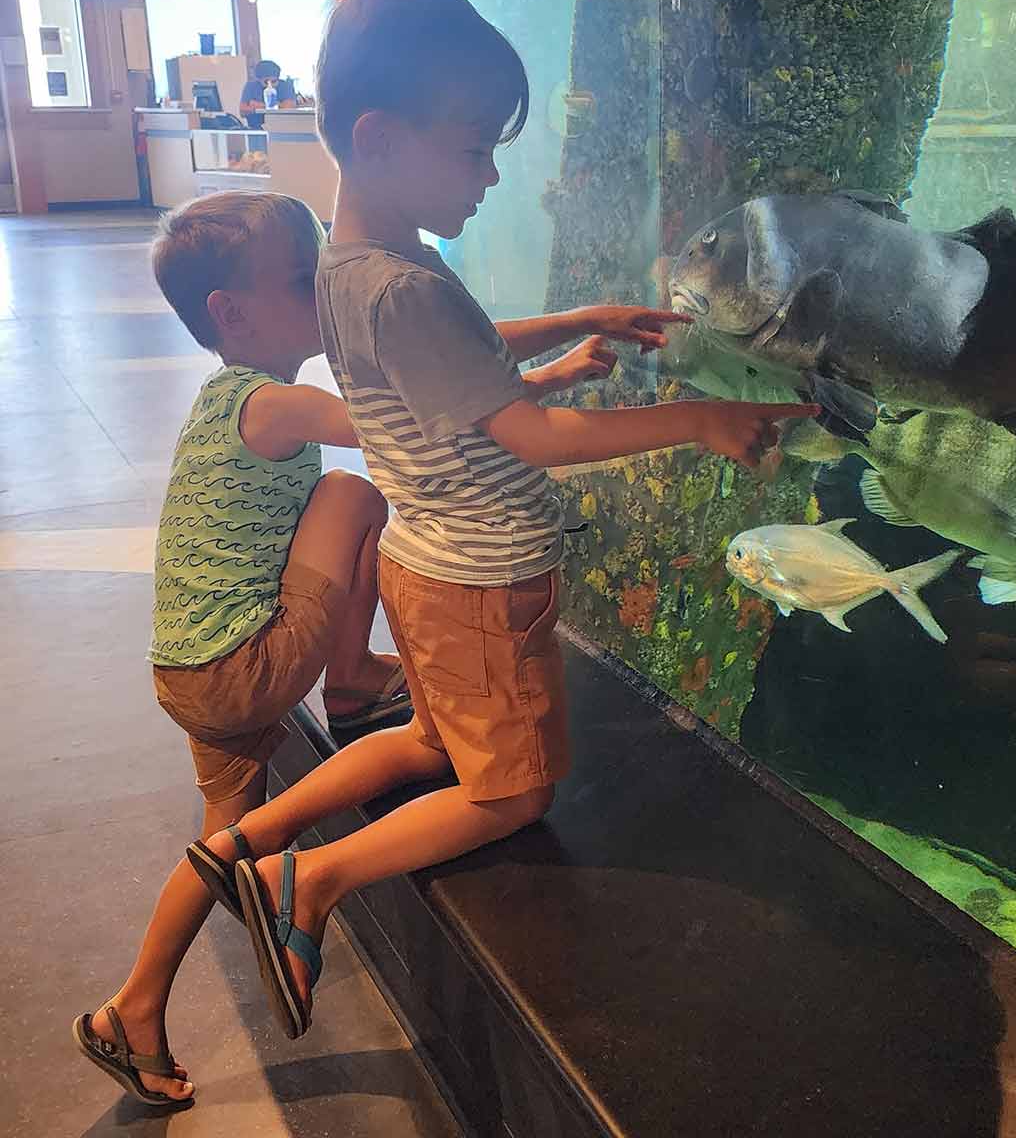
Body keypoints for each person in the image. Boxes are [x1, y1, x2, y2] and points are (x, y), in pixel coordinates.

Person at [209, 0, 819, 1046]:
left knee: (434, 738)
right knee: (512, 794)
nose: (492, 174)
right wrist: (699, 417)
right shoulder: (406, 284)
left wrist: (577, 324)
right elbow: (536, 438)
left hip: (424, 562)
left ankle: (249, 838)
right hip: (482, 583)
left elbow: (459, 351)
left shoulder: (353, 267)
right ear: (380, 138)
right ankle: (309, 880)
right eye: (473, 149)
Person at [69, 190, 656, 1105]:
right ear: (231, 312)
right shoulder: (274, 403)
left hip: (190, 671)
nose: (324, 293)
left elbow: (438, 373)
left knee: (227, 841)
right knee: (354, 497)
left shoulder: (233, 398)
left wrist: (563, 344)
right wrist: (550, 372)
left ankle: (132, 1009)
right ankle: (348, 682)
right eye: (301, 280)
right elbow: (429, 397)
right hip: (243, 666)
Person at [240, 59, 296, 129]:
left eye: (274, 81)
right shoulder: (251, 86)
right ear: (259, 79)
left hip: (281, 126)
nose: (270, 85)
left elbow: (289, 107)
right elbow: (242, 111)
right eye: (266, 82)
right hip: (256, 127)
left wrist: (259, 105)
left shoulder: (285, 86)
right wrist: (278, 105)